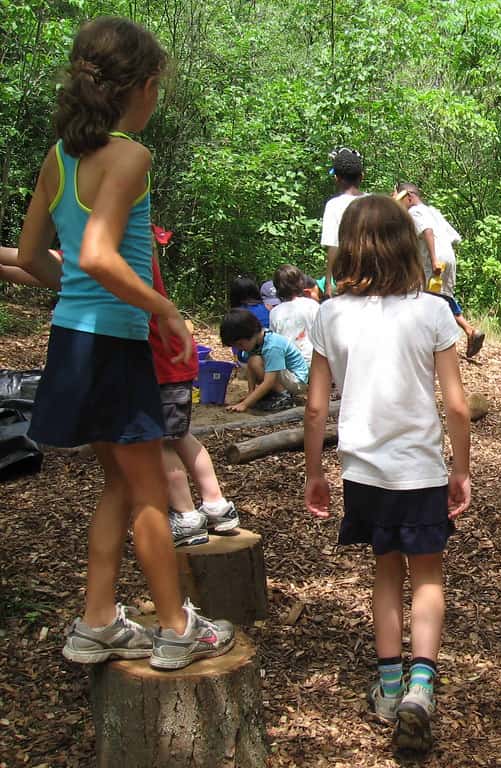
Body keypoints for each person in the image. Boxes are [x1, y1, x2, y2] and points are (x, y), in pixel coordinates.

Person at [15, 16, 233, 669]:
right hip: (114, 348)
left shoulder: (59, 157)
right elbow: (100, 254)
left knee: (116, 483)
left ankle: (96, 621)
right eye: (156, 86)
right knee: (145, 493)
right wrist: (164, 309)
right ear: (139, 86)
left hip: (72, 343)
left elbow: (32, 255)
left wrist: (75, 291)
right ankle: (176, 629)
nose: (156, 98)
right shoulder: (131, 156)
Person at [304, 195, 471, 756]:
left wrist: (314, 473)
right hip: (421, 470)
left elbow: (314, 408)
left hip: (364, 472)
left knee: (384, 573)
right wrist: (461, 471)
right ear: (407, 247)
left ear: (347, 247)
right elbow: (457, 405)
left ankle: (389, 682)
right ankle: (421, 685)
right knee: (427, 575)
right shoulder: (432, 311)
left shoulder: (330, 313)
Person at [149, 250, 239, 547]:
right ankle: (217, 506)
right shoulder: (140, 256)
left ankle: (186, 516)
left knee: (159, 441)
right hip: (173, 364)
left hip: (160, 367)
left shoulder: (124, 262)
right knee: (180, 435)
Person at [394, 183, 485, 358]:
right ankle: (470, 331)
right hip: (448, 257)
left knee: (424, 298)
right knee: (442, 297)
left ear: (409, 197)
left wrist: (434, 259)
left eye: (400, 200)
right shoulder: (433, 211)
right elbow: (453, 237)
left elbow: (427, 231)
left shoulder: (415, 212)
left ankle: (429, 343)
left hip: (434, 259)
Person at [219, 308, 309, 412]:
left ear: (251, 334)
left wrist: (245, 404)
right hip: (283, 377)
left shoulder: (272, 346)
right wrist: (250, 394)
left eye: (240, 344)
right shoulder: (256, 341)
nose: (240, 348)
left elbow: (269, 381)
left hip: (297, 381)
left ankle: (284, 396)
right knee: (253, 361)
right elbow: (250, 369)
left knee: (255, 361)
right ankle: (274, 393)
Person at [320, 146, 365, 296]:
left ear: (336, 178)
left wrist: (328, 281)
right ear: (362, 177)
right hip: (376, 271)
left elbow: (333, 245)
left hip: (349, 273)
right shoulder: (375, 201)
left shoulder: (334, 205)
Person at [269, 263, 320, 364]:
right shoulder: (312, 305)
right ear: (300, 283)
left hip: (289, 365)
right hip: (313, 361)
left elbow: (275, 343)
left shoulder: (275, 312)